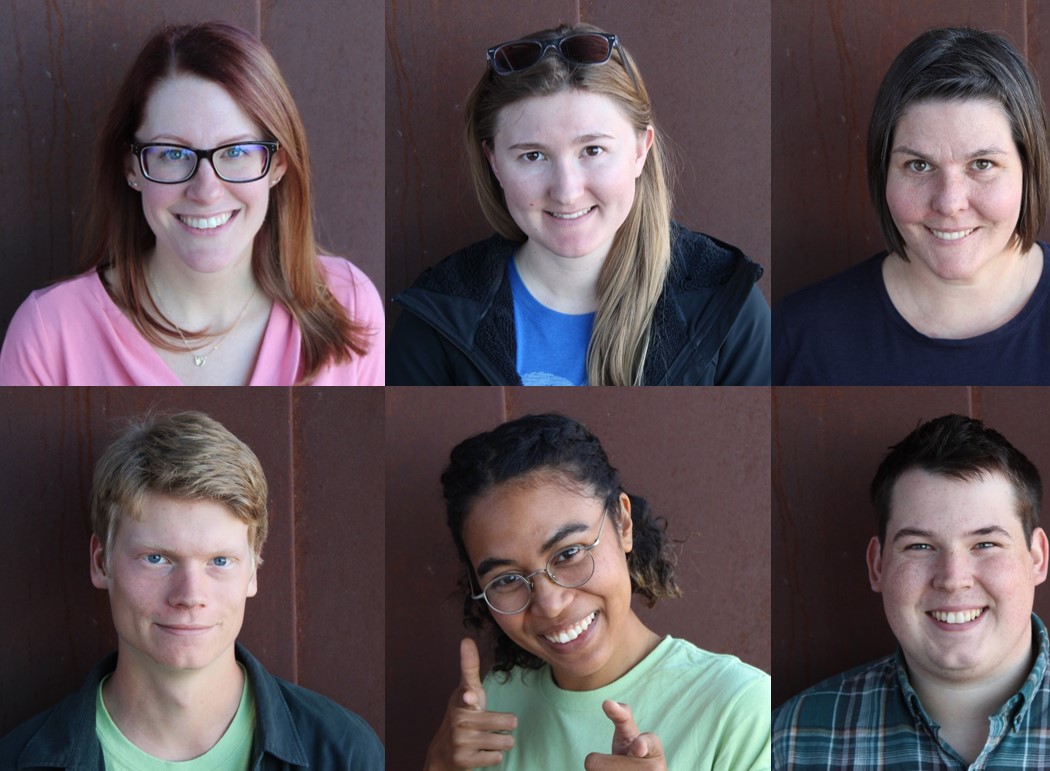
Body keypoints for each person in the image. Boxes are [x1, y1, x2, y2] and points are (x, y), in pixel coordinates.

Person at [0, 22, 385, 385]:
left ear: (277, 165)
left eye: (235, 151)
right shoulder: (48, 335)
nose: (206, 190)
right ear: (131, 166)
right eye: (172, 154)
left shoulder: (349, 303)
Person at [386, 23, 771, 385]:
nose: (567, 192)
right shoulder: (435, 320)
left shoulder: (727, 306)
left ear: (641, 151)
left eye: (593, 149)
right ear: (495, 164)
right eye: (533, 156)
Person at [772, 27, 1050, 384]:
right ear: (883, 172)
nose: (950, 202)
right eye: (919, 165)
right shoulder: (797, 336)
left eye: (982, 165)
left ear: (1030, 168)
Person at [0, 412, 385, 768]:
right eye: (157, 558)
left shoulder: (344, 752)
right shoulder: (16, 760)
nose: (190, 595)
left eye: (219, 561)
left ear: (252, 571)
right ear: (101, 562)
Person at [772, 414, 1050, 769]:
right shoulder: (796, 738)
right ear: (877, 565)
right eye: (920, 546)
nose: (953, 578)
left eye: (986, 544)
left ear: (1036, 558)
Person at [424, 414, 770, 769]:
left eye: (569, 553)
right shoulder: (490, 708)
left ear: (622, 523)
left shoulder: (741, 708)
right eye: (507, 580)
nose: (550, 604)